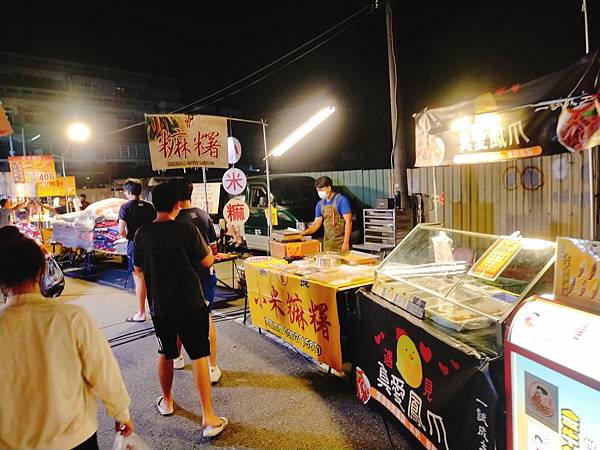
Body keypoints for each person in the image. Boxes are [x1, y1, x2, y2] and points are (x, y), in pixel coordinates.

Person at [0, 227, 134, 449]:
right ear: (41, 270)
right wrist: (120, 412)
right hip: (74, 438)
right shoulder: (71, 318)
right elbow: (103, 371)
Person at [133, 181, 228, 438]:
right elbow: (207, 261)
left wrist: (141, 307)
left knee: (166, 353)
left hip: (161, 306)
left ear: (154, 204)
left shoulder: (142, 233)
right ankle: (208, 416)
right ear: (177, 204)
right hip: (191, 302)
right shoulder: (187, 230)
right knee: (198, 355)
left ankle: (167, 401)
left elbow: (138, 271)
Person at [173, 179, 221, 382]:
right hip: (205, 273)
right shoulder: (202, 214)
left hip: (182, 277)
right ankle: (212, 368)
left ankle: (177, 358)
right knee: (205, 318)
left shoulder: (173, 220)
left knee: (177, 318)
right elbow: (214, 248)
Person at [119, 178, 156, 322]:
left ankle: (141, 313)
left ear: (128, 192)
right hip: (151, 245)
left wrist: (129, 237)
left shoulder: (125, 208)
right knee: (153, 278)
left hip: (135, 246)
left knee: (139, 279)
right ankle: (155, 309)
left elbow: (121, 230)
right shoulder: (149, 206)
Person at [300, 176, 353, 252]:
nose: (320, 193)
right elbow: (316, 224)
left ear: (329, 188)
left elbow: (349, 222)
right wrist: (303, 233)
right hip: (328, 244)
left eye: (322, 190)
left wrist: (346, 243)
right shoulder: (320, 204)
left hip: (341, 243)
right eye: (318, 190)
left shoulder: (341, 200)